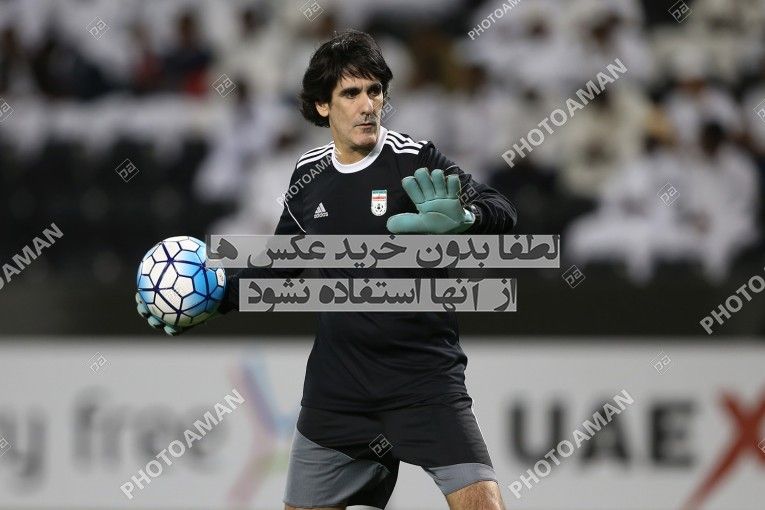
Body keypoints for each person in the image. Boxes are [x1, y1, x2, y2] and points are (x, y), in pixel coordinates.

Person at [137, 30, 516, 509]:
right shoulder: (308, 176)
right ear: (322, 105)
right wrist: (214, 298)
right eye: (351, 93)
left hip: (423, 381)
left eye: (375, 91)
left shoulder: (415, 160)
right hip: (339, 391)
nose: (367, 106)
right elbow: (279, 271)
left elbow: (503, 209)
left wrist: (466, 219)